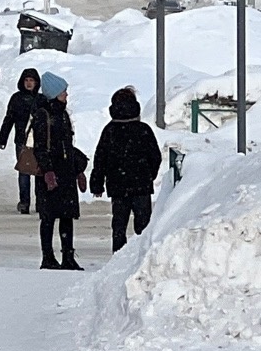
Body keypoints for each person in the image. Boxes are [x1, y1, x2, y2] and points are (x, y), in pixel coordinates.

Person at [89, 85, 163, 251]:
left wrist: (97, 183)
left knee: (119, 224)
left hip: (118, 185)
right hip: (141, 184)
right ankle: (142, 256)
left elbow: (100, 159)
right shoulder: (143, 129)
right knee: (143, 225)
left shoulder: (109, 130)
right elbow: (155, 157)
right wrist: (149, 175)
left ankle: (118, 256)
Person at [30, 74, 86, 269]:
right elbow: (40, 147)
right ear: (54, 94)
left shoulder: (62, 114)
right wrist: (47, 171)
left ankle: (68, 256)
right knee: (48, 217)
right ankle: (48, 257)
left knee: (66, 216)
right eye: (63, 91)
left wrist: (77, 167)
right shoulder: (43, 115)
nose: (66, 94)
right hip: (51, 174)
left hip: (66, 172)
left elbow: (66, 145)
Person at [0, 67, 44, 214]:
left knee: (39, 172)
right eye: (27, 80)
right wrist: (2, 137)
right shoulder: (17, 98)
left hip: (39, 141)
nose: (29, 83)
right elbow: (9, 119)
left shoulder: (42, 99)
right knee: (24, 171)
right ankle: (25, 202)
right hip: (22, 141)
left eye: (32, 80)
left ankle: (40, 202)